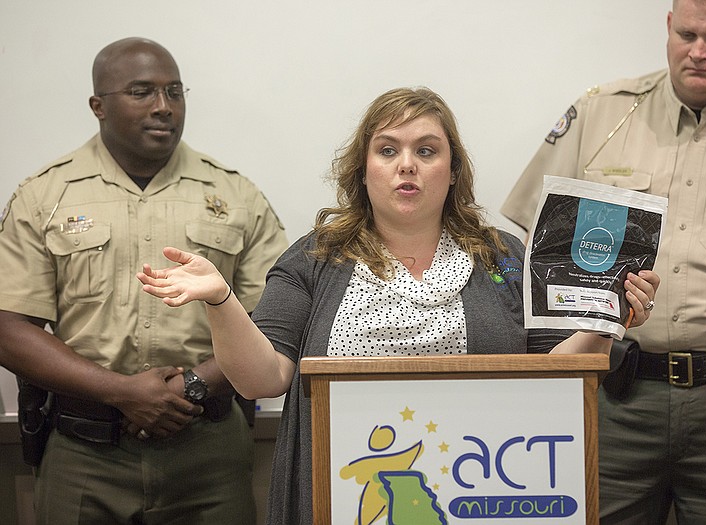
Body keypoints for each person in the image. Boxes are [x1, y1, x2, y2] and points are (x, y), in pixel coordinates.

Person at [137, 86, 660, 524]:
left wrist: (605, 319)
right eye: (387, 150)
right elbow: (261, 379)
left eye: (427, 151)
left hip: (480, 496)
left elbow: (558, 378)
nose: (406, 165)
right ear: (362, 171)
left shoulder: (505, 258)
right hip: (344, 499)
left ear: (453, 170)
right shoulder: (316, 257)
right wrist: (222, 300)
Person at [501, 0, 706, 523]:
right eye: (687, 33)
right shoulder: (603, 114)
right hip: (616, 395)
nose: (698, 51)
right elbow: (532, 243)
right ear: (668, 28)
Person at [0, 37, 289, 523]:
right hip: (85, 456)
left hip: (209, 453)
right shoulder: (44, 196)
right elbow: (9, 328)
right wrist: (121, 391)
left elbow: (277, 324)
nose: (163, 107)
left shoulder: (236, 195)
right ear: (98, 106)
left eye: (175, 92)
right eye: (142, 92)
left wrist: (194, 385)